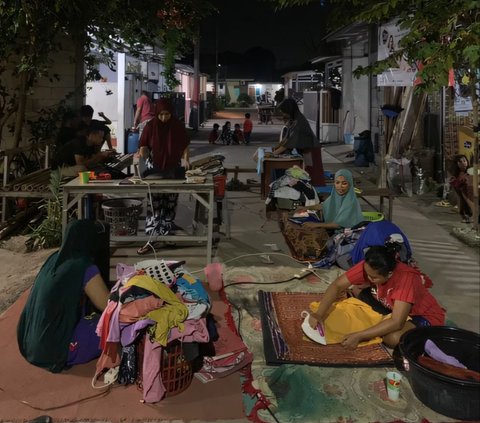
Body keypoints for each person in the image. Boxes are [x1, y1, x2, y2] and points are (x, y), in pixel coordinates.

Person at [17, 219, 110, 372]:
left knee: (92, 318)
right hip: (53, 351)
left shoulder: (54, 259)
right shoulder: (83, 266)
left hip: (29, 344)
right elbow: (108, 306)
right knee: (114, 327)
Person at [308, 245, 446, 349]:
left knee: (392, 338)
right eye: (367, 274)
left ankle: (424, 335)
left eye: (374, 277)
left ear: (390, 274)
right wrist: (319, 314)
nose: (368, 278)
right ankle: (381, 315)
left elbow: (397, 322)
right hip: (390, 305)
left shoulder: (406, 280)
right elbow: (337, 285)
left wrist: (360, 335)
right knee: (356, 289)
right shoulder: (370, 266)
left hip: (421, 316)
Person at [137, 98, 191, 255]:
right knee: (154, 204)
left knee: (170, 202)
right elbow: (143, 145)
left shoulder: (177, 126)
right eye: (160, 114)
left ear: (171, 113)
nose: (163, 117)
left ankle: (167, 234)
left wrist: (186, 159)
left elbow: (185, 144)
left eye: (166, 114)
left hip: (173, 169)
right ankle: (151, 239)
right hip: (154, 170)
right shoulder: (150, 125)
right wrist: (144, 154)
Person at [274, 98, 325, 186]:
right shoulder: (293, 119)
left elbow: (288, 143)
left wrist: (274, 153)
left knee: (312, 172)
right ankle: (310, 189)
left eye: (284, 111)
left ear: (289, 110)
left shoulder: (298, 121)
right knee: (308, 172)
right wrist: (275, 148)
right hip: (306, 148)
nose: (283, 114)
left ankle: (315, 192)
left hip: (311, 148)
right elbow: (286, 138)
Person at [52, 121, 117, 177]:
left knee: (97, 167)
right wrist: (100, 155)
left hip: (71, 167)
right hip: (59, 170)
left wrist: (106, 156)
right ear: (91, 135)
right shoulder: (79, 143)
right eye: (100, 137)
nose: (102, 139)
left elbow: (92, 160)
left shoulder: (91, 144)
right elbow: (81, 164)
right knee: (82, 169)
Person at [449, 154, 474, 223]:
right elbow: (455, 185)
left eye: (464, 161)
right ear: (457, 164)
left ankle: (471, 215)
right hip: (462, 193)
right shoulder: (456, 174)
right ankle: (465, 215)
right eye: (460, 162)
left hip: (470, 192)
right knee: (462, 198)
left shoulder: (470, 170)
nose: (463, 163)